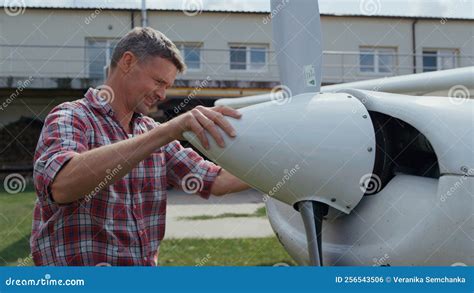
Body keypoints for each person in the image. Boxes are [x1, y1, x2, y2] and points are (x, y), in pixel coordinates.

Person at [30, 27, 250, 266]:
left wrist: (288, 164)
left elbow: (216, 181)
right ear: (127, 62)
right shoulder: (71, 116)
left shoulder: (152, 132)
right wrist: (168, 131)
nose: (163, 94)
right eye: (158, 81)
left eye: (167, 85)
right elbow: (62, 186)